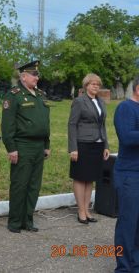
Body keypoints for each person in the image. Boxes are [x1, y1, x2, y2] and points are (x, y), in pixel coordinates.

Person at [1, 60, 50, 233]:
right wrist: (11, 148)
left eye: (37, 74)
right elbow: (7, 126)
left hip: (38, 147)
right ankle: (15, 222)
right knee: (20, 185)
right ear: (23, 76)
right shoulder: (13, 95)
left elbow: (45, 122)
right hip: (22, 146)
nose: (37, 77)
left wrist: (47, 144)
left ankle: (27, 220)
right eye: (34, 74)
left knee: (34, 186)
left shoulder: (41, 95)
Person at [68, 73, 109, 224]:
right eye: (93, 84)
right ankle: (80, 211)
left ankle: (87, 209)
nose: (96, 87)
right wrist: (73, 148)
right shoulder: (79, 101)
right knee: (80, 177)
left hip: (98, 144)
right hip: (82, 144)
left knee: (90, 177)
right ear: (86, 86)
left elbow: (102, 125)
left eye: (98, 84)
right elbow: (72, 124)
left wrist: (106, 145)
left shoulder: (100, 102)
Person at [113, 75, 139, 273]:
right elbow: (127, 137)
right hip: (130, 174)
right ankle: (124, 267)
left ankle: (135, 263)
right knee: (128, 222)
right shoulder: (126, 108)